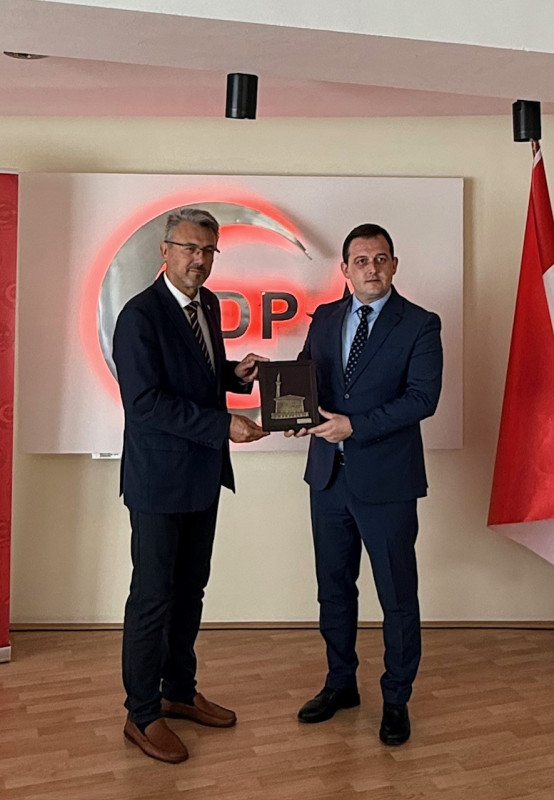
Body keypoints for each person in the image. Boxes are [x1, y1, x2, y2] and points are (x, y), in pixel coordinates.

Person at [113, 207, 268, 763]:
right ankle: (141, 713)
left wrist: (235, 376)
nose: (198, 260)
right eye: (188, 248)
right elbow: (146, 403)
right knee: (152, 598)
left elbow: (197, 377)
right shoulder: (139, 315)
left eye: (207, 250)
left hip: (202, 476)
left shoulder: (209, 305)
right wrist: (222, 424)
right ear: (165, 251)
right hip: (158, 482)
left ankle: (178, 691)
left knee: (190, 591)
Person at [287, 223, 442, 745]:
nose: (371, 268)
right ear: (345, 269)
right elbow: (305, 377)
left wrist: (355, 426)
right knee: (334, 589)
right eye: (361, 260)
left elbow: (423, 399)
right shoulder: (326, 318)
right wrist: (288, 403)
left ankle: (396, 698)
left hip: (388, 482)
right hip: (327, 478)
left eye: (380, 259)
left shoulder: (420, 324)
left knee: (397, 595)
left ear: (394, 265)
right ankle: (341, 683)